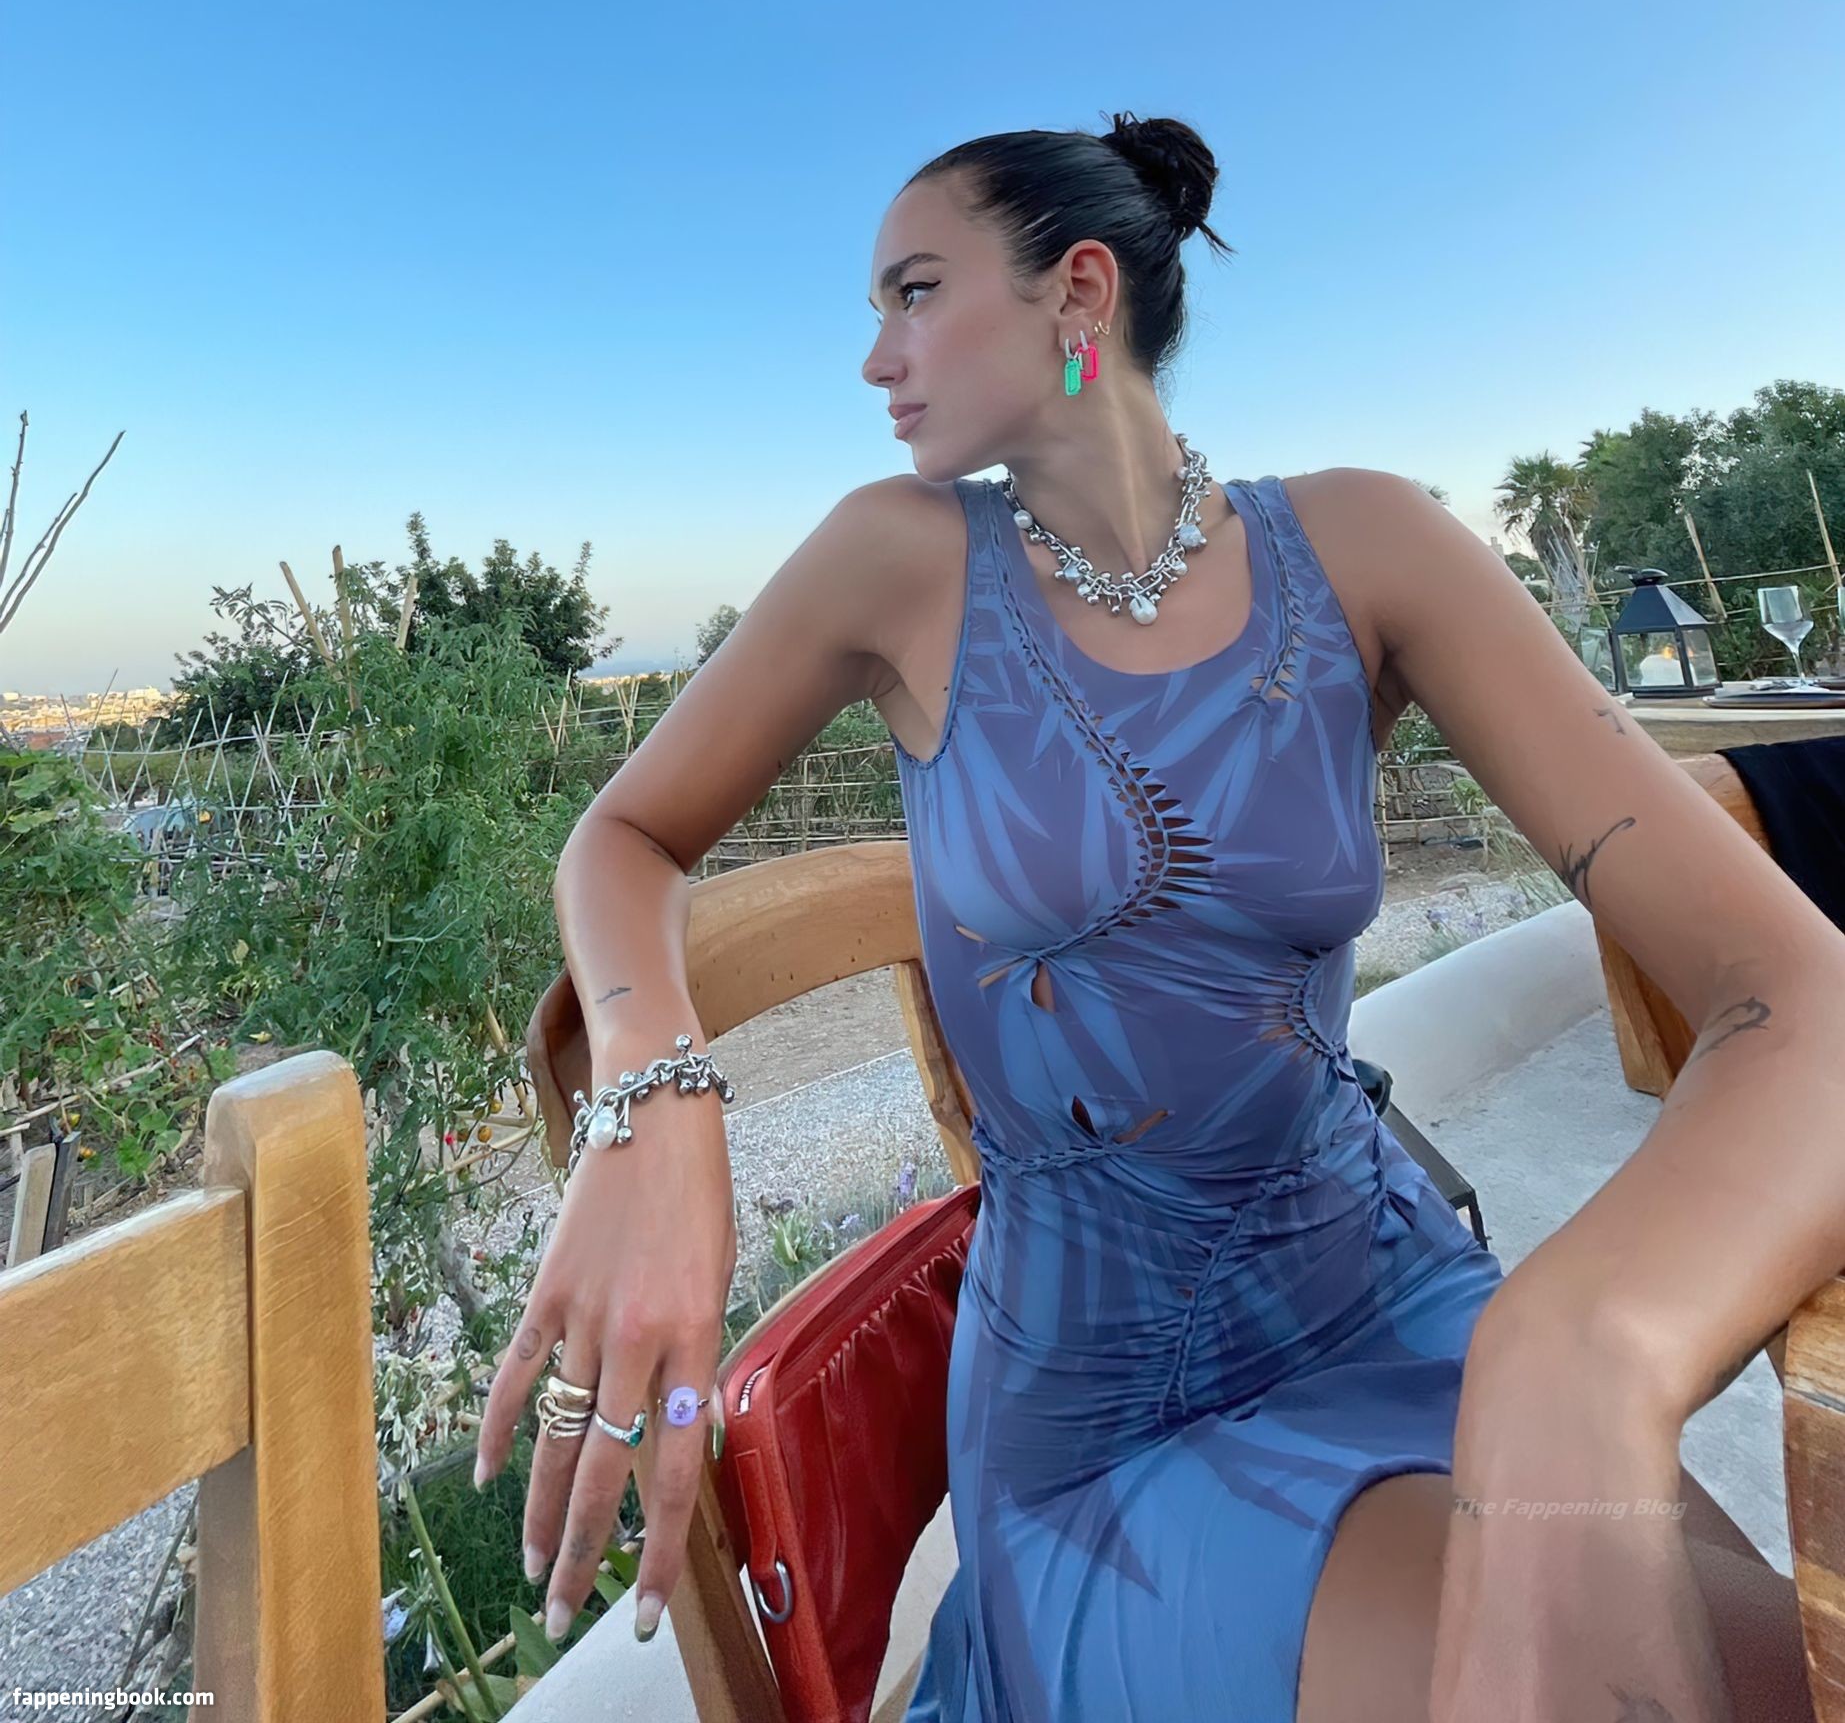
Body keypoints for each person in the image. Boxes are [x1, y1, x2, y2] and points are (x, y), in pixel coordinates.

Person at [475, 113, 1835, 1720]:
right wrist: (655, 1095)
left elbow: (1793, 991)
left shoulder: (1363, 546)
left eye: (914, 291)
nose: (874, 356)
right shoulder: (894, 561)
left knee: (1766, 1682)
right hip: (1106, 1415)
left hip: (1395, 1293)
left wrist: (1582, 1346)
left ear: (1076, 292)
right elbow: (624, 836)